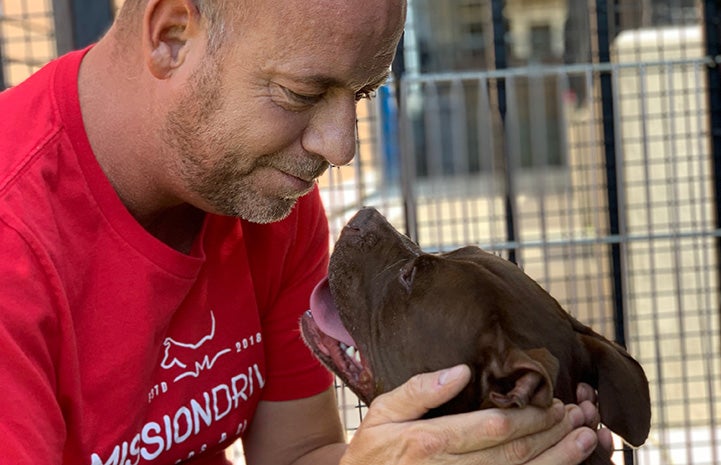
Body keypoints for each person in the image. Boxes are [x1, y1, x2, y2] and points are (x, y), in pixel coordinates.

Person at [0, 0, 612, 463]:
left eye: (362, 95)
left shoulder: (262, 201)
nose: (339, 146)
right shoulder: (17, 239)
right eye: (303, 92)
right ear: (171, 37)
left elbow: (299, 453)